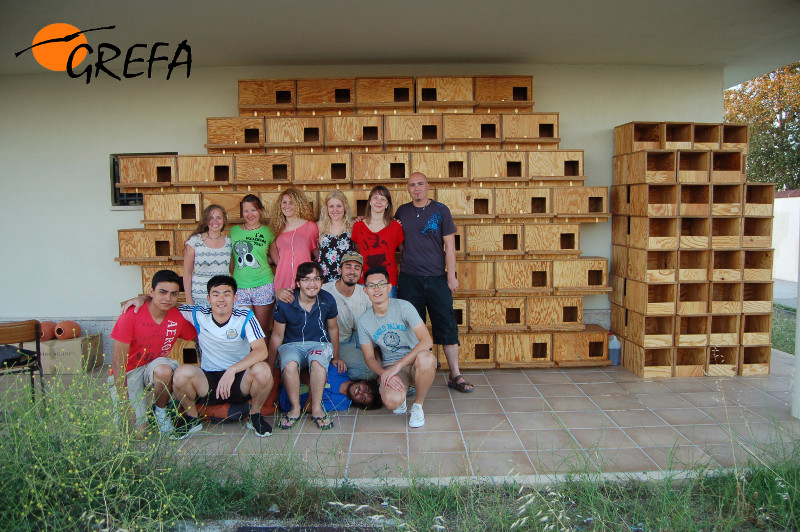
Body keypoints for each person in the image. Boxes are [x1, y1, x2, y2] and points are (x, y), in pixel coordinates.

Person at [124, 275, 275, 439]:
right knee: (181, 372)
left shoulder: (245, 315)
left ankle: (254, 416)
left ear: (235, 297)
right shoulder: (198, 313)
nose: (221, 299)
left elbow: (261, 351)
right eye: (216, 294)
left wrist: (233, 370)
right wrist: (144, 298)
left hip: (239, 379)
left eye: (226, 294)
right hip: (209, 380)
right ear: (209, 298)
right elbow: (167, 302)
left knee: (263, 370)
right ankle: (192, 419)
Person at [394, 172, 474, 393]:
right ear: (407, 189)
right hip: (410, 279)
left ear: (428, 186)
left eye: (420, 184)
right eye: (412, 185)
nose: (416, 188)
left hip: (438, 278)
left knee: (446, 325)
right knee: (411, 329)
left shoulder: (441, 210)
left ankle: (455, 375)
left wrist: (451, 275)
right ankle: (413, 375)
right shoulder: (402, 211)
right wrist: (410, 255)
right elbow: (399, 240)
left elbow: (450, 246)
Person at [109, 270, 197, 433]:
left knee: (164, 369)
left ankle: (161, 412)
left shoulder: (177, 316)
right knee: (137, 432)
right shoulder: (131, 315)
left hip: (154, 367)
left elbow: (198, 338)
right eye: (162, 292)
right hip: (129, 371)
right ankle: (139, 414)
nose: (168, 298)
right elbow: (118, 361)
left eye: (173, 294)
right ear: (151, 292)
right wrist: (124, 402)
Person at [357, 266, 436, 428]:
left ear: (389, 287)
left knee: (427, 357)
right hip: (392, 367)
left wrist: (399, 364)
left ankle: (417, 405)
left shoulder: (403, 307)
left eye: (381, 284)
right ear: (365, 291)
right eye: (371, 285)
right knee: (391, 401)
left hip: (415, 362)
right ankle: (401, 397)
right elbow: (369, 358)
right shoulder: (364, 321)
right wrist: (385, 373)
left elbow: (427, 341)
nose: (376, 289)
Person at [278, 251, 376, 380]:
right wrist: (279, 293)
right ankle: (331, 376)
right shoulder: (323, 290)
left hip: (356, 336)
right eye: (348, 266)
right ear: (339, 270)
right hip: (337, 342)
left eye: (357, 268)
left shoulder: (363, 292)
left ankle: (380, 365)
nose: (352, 271)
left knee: (381, 337)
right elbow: (299, 292)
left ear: (361, 273)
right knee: (369, 371)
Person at [269, 261, 341, 430]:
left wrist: (336, 356)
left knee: (317, 361)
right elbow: (277, 336)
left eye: (316, 279)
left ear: (322, 282)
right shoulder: (286, 301)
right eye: (307, 279)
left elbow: (333, 328)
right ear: (298, 283)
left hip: (319, 343)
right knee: (290, 363)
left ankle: (316, 408)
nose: (312, 284)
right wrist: (271, 365)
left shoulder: (327, 299)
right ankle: (295, 409)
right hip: (292, 344)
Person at [229, 194, 276, 336]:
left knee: (262, 328)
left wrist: (260, 260)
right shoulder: (234, 231)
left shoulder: (268, 231)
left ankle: (265, 359)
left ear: (261, 210)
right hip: (240, 286)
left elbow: (275, 259)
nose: (250, 214)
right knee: (245, 327)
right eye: (246, 211)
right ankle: (249, 358)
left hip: (263, 284)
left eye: (253, 210)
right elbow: (232, 259)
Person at [351, 185, 404, 297]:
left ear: (387, 204)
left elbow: (404, 252)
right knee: (364, 314)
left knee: (388, 314)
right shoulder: (358, 226)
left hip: (387, 282)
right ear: (370, 201)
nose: (379, 201)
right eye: (375, 198)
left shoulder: (395, 226)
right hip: (364, 281)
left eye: (383, 199)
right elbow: (357, 253)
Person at [269, 187, 320, 291]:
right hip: (282, 279)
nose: (287, 206)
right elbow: (275, 254)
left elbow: (317, 253)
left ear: (298, 204)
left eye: (291, 202)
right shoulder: (277, 229)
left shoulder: (310, 226)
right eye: (284, 202)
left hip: (305, 279)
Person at [183, 204, 232, 308]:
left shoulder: (229, 242)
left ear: (224, 220)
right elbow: (187, 272)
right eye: (211, 218)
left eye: (219, 218)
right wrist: (188, 299)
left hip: (222, 299)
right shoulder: (195, 241)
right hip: (199, 297)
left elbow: (232, 269)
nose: (215, 221)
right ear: (206, 221)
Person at [278, 367, 381, 412]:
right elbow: (304, 370)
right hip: (281, 378)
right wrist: (311, 384)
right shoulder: (339, 370)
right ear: (364, 382)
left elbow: (307, 409)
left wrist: (312, 392)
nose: (360, 392)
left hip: (280, 401)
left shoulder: (342, 403)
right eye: (366, 389)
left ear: (358, 402)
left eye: (362, 398)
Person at [317, 190, 356, 283]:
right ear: (326, 208)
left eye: (339, 206)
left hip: (346, 276)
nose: (335, 210)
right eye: (331, 206)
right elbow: (315, 248)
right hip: (325, 275)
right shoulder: (319, 226)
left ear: (345, 207)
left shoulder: (352, 226)